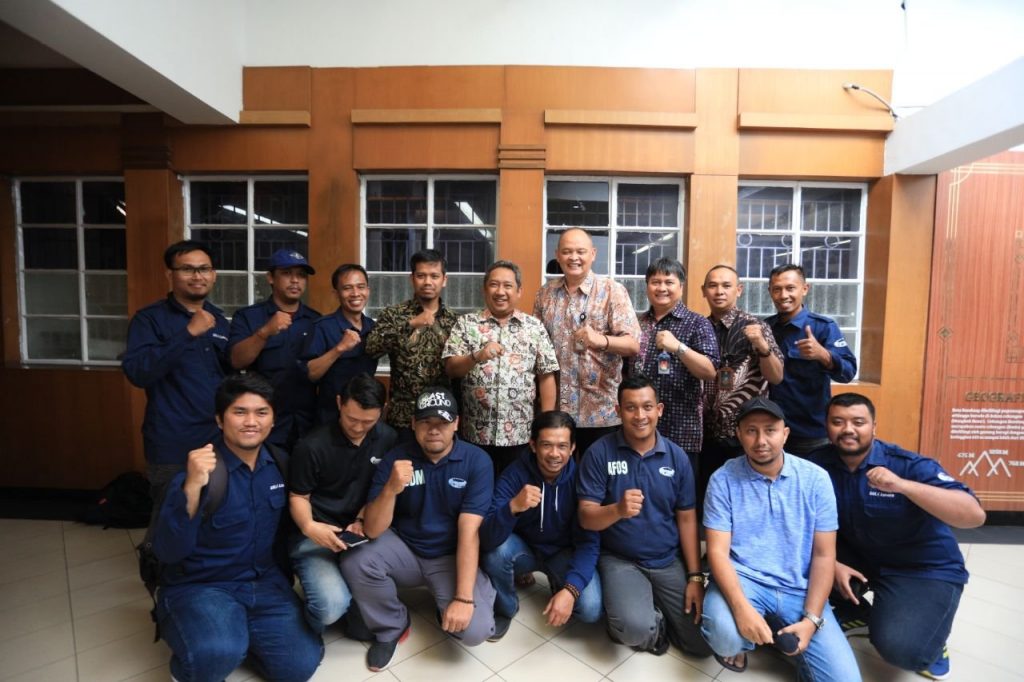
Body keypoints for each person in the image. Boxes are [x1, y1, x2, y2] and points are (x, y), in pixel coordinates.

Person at [151, 373, 323, 682]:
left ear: (272, 421)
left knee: (301, 664)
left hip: (265, 584)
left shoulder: (280, 464)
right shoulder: (201, 471)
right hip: (203, 585)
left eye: (261, 412)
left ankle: (238, 636)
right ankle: (212, 645)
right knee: (215, 654)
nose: (251, 422)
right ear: (219, 420)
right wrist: (191, 487)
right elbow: (168, 550)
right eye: (239, 412)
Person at [813, 393, 986, 680]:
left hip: (919, 568)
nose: (848, 430)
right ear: (827, 426)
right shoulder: (817, 465)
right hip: (859, 557)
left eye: (858, 422)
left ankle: (931, 638)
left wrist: (904, 486)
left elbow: (973, 515)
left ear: (874, 426)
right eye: (838, 422)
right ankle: (857, 611)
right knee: (796, 557)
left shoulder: (907, 465)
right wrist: (831, 565)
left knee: (903, 651)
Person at [700, 397, 859, 680]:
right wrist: (741, 609)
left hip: (798, 587)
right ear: (739, 435)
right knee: (725, 637)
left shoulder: (816, 479)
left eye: (770, 430)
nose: (761, 440)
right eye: (751, 430)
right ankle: (760, 630)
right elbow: (718, 553)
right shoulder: (723, 479)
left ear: (785, 434)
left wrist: (811, 620)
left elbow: (824, 555)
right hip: (745, 580)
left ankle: (779, 632)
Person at [339, 387, 496, 672]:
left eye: (442, 423)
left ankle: (472, 591)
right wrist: (391, 488)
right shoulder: (397, 458)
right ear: (413, 424)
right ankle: (392, 626)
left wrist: (463, 597)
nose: (433, 430)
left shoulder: (477, 461)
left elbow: (469, 531)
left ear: (456, 423)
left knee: (476, 631)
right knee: (356, 559)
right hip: (405, 548)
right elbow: (373, 530)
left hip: (449, 555)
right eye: (425, 422)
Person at [577, 375, 712, 659]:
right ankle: (651, 620)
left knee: (702, 644)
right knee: (635, 630)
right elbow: (586, 518)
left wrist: (695, 576)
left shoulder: (677, 457)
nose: (640, 416)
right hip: (619, 558)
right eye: (630, 408)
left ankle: (654, 607)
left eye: (647, 407)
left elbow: (687, 520)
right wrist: (617, 510)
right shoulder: (599, 453)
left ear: (659, 410)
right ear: (618, 411)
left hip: (666, 558)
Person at [287, 373, 397, 636]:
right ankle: (305, 631)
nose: (358, 428)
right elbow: (298, 497)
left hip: (360, 533)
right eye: (352, 419)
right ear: (339, 403)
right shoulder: (312, 446)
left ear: (383, 410)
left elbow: (378, 489)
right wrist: (309, 526)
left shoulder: (388, 438)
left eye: (368, 421)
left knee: (365, 624)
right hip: (317, 534)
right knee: (331, 606)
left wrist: (361, 519)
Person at [480, 410, 602, 640]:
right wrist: (513, 507)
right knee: (495, 553)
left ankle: (559, 584)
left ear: (573, 447)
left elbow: (589, 544)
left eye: (562, 446)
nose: (554, 454)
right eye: (546, 445)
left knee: (590, 609)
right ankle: (506, 608)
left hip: (562, 552)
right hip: (523, 549)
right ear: (533, 445)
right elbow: (486, 539)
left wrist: (570, 590)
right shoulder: (514, 475)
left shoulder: (582, 480)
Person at [122, 240, 230, 500]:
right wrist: (188, 333)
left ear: (213, 275)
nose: (197, 276)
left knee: (213, 507)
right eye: (187, 269)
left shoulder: (219, 319)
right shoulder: (149, 319)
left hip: (217, 436)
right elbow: (138, 372)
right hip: (172, 439)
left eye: (204, 269)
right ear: (170, 274)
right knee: (171, 511)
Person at [444, 260, 559, 473]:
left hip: (520, 436)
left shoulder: (534, 327)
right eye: (494, 285)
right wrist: (476, 356)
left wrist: (547, 424)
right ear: (485, 289)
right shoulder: (466, 324)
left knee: (513, 496)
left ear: (519, 291)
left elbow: (546, 375)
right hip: (474, 436)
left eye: (507, 286)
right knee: (477, 493)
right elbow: (451, 368)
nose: (500, 292)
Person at [534, 228, 641, 456]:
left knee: (599, 481)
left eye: (580, 251)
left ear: (593, 254)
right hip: (558, 413)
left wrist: (600, 340)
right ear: (558, 255)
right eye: (567, 252)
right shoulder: (545, 294)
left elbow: (633, 344)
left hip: (601, 413)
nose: (574, 257)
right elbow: (537, 348)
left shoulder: (613, 291)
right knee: (561, 479)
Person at [698, 264, 784, 510]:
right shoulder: (699, 327)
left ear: (739, 290)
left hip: (744, 434)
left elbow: (776, 376)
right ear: (703, 291)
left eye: (726, 286)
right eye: (713, 286)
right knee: (711, 498)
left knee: (747, 501)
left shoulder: (755, 327)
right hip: (707, 433)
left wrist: (761, 345)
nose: (719, 291)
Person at [228, 249, 321, 449]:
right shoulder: (248, 317)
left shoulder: (316, 320)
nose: (295, 281)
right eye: (287, 274)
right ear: (271, 278)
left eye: (301, 275)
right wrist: (265, 332)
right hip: (264, 424)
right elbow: (236, 360)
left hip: (307, 423)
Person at [629, 258, 719, 459]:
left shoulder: (697, 323)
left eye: (669, 282)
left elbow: (710, 371)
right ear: (647, 286)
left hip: (681, 430)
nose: (662, 288)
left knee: (681, 489)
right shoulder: (637, 323)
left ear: (681, 287)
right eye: (655, 282)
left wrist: (678, 347)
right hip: (638, 429)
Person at [765, 264, 856, 455]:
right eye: (777, 289)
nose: (783, 295)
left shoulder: (823, 327)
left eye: (790, 288)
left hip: (810, 433)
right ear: (770, 292)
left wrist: (823, 354)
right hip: (771, 429)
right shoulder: (765, 328)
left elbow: (848, 372)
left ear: (805, 289)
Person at [365, 250, 459, 436]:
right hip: (403, 415)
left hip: (441, 415)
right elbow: (371, 348)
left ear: (444, 279)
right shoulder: (394, 314)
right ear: (412, 278)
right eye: (421, 276)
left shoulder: (455, 321)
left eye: (434, 276)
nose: (427, 282)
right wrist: (410, 325)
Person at [303, 264, 378, 426]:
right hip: (330, 418)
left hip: (365, 418)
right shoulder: (322, 327)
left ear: (368, 291)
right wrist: (339, 349)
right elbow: (310, 374)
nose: (355, 293)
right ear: (336, 294)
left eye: (361, 287)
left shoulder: (374, 328)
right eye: (347, 288)